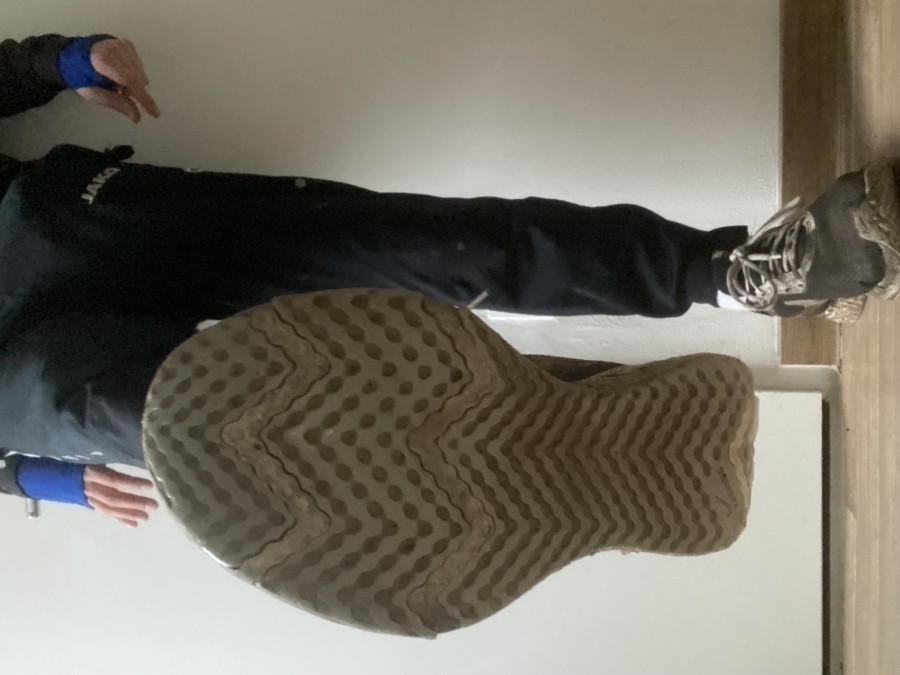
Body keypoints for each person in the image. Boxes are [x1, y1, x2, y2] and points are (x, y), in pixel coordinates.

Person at [0, 32, 897, 527]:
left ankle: (737, 271)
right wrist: (38, 482)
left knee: (421, 247)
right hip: (18, 380)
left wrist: (65, 62)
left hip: (48, 226)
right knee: (220, 428)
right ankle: (562, 462)